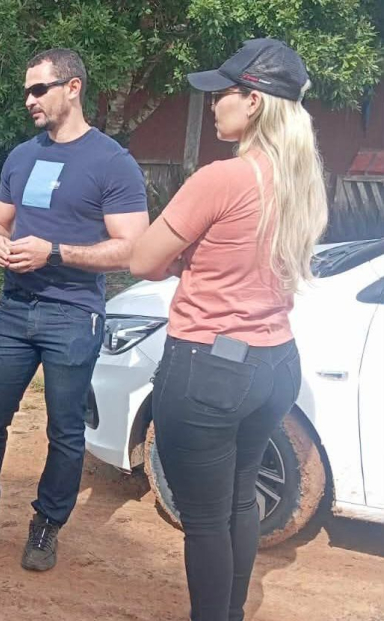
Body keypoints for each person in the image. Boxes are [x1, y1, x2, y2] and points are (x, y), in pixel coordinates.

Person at [129, 39, 328, 621]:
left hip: (209, 367)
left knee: (206, 520)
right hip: (275, 363)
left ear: (257, 102)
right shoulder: (302, 183)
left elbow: (143, 260)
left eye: (224, 93)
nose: (214, 103)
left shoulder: (223, 178)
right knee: (240, 499)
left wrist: (184, 257)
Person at [0, 48, 149, 571]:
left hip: (72, 313)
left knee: (64, 429)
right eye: (26, 91)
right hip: (13, 308)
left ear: (72, 88)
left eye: (39, 89)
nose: (28, 99)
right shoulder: (23, 156)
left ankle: (47, 524)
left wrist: (54, 252)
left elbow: (133, 246)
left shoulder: (112, 161)